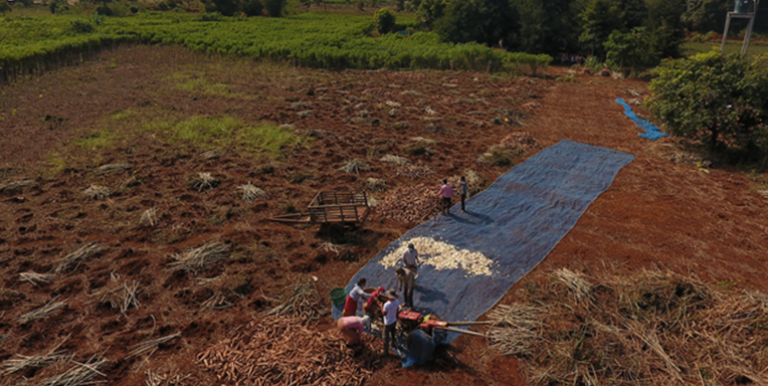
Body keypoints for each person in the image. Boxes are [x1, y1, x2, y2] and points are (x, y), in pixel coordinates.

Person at [381, 289, 400, 356]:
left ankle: (386, 352)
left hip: (387, 323)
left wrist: (381, 307)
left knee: (385, 337)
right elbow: (397, 310)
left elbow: (384, 313)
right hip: (394, 320)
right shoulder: (397, 302)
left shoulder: (386, 304)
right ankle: (393, 344)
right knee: (393, 333)